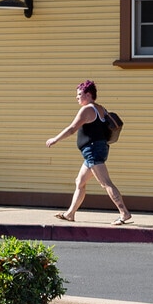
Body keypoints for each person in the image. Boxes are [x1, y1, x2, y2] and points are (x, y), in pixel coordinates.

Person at [45, 80, 132, 223]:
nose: (77, 97)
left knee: (105, 183)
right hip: (97, 149)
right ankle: (70, 214)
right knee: (80, 182)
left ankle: (124, 213)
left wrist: (55, 139)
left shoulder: (87, 109)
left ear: (89, 94)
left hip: (93, 151)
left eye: (80, 94)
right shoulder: (101, 108)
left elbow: (72, 129)